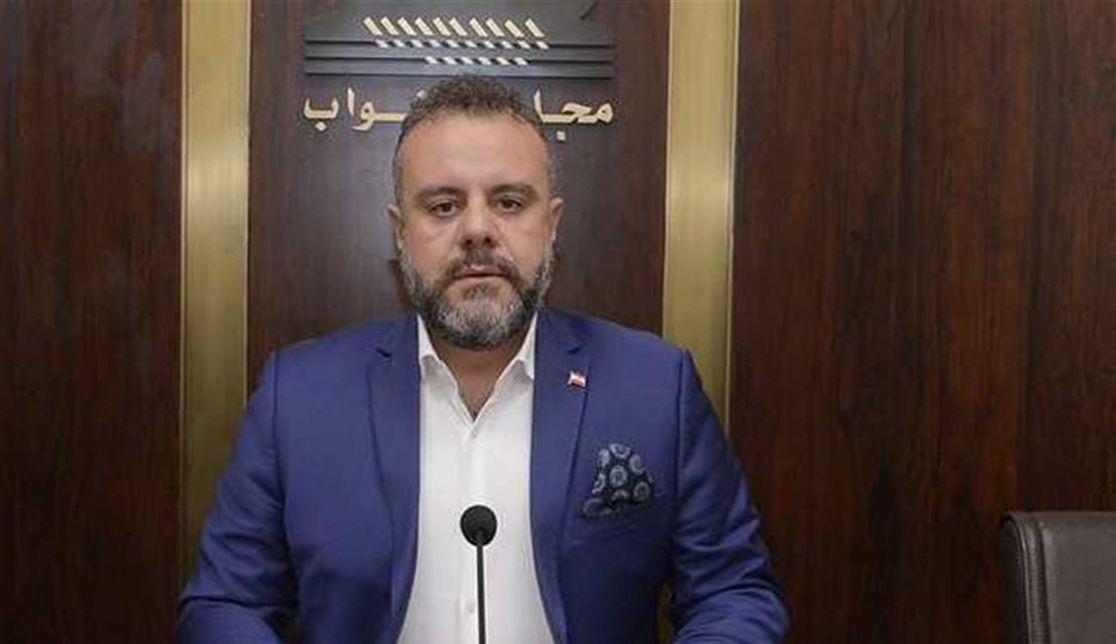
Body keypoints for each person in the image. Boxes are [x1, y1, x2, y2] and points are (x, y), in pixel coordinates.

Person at [179, 75, 787, 643]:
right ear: (400, 232)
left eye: (509, 202)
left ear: (552, 225)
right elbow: (226, 603)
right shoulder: (299, 398)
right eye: (443, 206)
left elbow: (733, 593)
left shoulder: (653, 387)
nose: (477, 230)